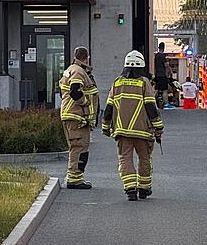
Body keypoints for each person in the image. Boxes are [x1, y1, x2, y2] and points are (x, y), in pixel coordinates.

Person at [102, 51, 164, 201]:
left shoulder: (117, 82)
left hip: (122, 131)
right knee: (145, 158)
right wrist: (158, 127)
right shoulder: (144, 82)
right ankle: (143, 189)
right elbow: (150, 106)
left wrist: (105, 126)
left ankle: (130, 189)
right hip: (142, 131)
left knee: (125, 159)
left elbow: (109, 107)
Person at [58, 46, 99, 189]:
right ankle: (74, 179)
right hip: (77, 116)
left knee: (79, 147)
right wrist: (85, 104)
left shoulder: (71, 70)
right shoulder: (78, 71)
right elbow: (75, 91)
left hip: (74, 115)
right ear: (86, 57)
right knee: (78, 147)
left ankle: (76, 177)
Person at [153, 43, 170, 109]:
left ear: (158, 47)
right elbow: (166, 65)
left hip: (157, 74)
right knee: (165, 90)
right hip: (162, 75)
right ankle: (166, 104)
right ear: (163, 47)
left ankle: (151, 102)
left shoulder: (156, 56)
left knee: (157, 89)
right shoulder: (163, 56)